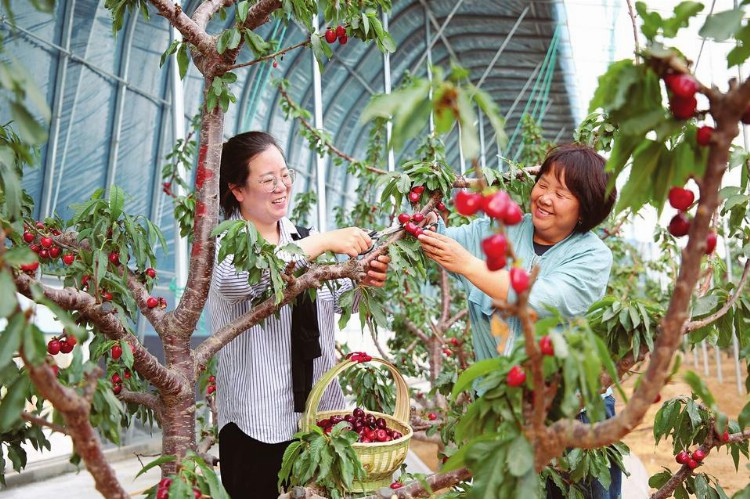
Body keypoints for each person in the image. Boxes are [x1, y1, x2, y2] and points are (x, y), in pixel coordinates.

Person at [417, 143, 620, 498]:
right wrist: (427, 217)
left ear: (585, 210)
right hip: (503, 413)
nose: (545, 197)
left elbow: (535, 298)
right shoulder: (501, 228)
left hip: (572, 414)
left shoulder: (593, 257)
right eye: (543, 184)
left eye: (561, 193)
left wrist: (468, 264)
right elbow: (443, 241)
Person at [208, 131, 391, 499]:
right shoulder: (225, 248)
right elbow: (240, 281)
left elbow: (336, 300)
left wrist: (364, 283)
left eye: (285, 175)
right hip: (255, 425)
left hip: (317, 421)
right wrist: (321, 242)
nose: (281, 187)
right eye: (267, 180)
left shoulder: (302, 239)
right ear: (237, 190)